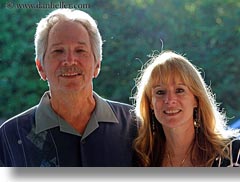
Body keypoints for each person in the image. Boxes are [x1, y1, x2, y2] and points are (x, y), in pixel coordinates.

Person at [0, 9, 137, 167]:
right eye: (58, 51)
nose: (70, 61)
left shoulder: (136, 126)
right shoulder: (8, 138)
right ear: (40, 67)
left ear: (97, 64)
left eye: (80, 50)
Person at [132, 50, 240, 167]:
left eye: (180, 90)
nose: (169, 100)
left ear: (196, 99)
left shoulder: (231, 154)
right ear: (150, 103)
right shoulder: (141, 159)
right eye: (160, 92)